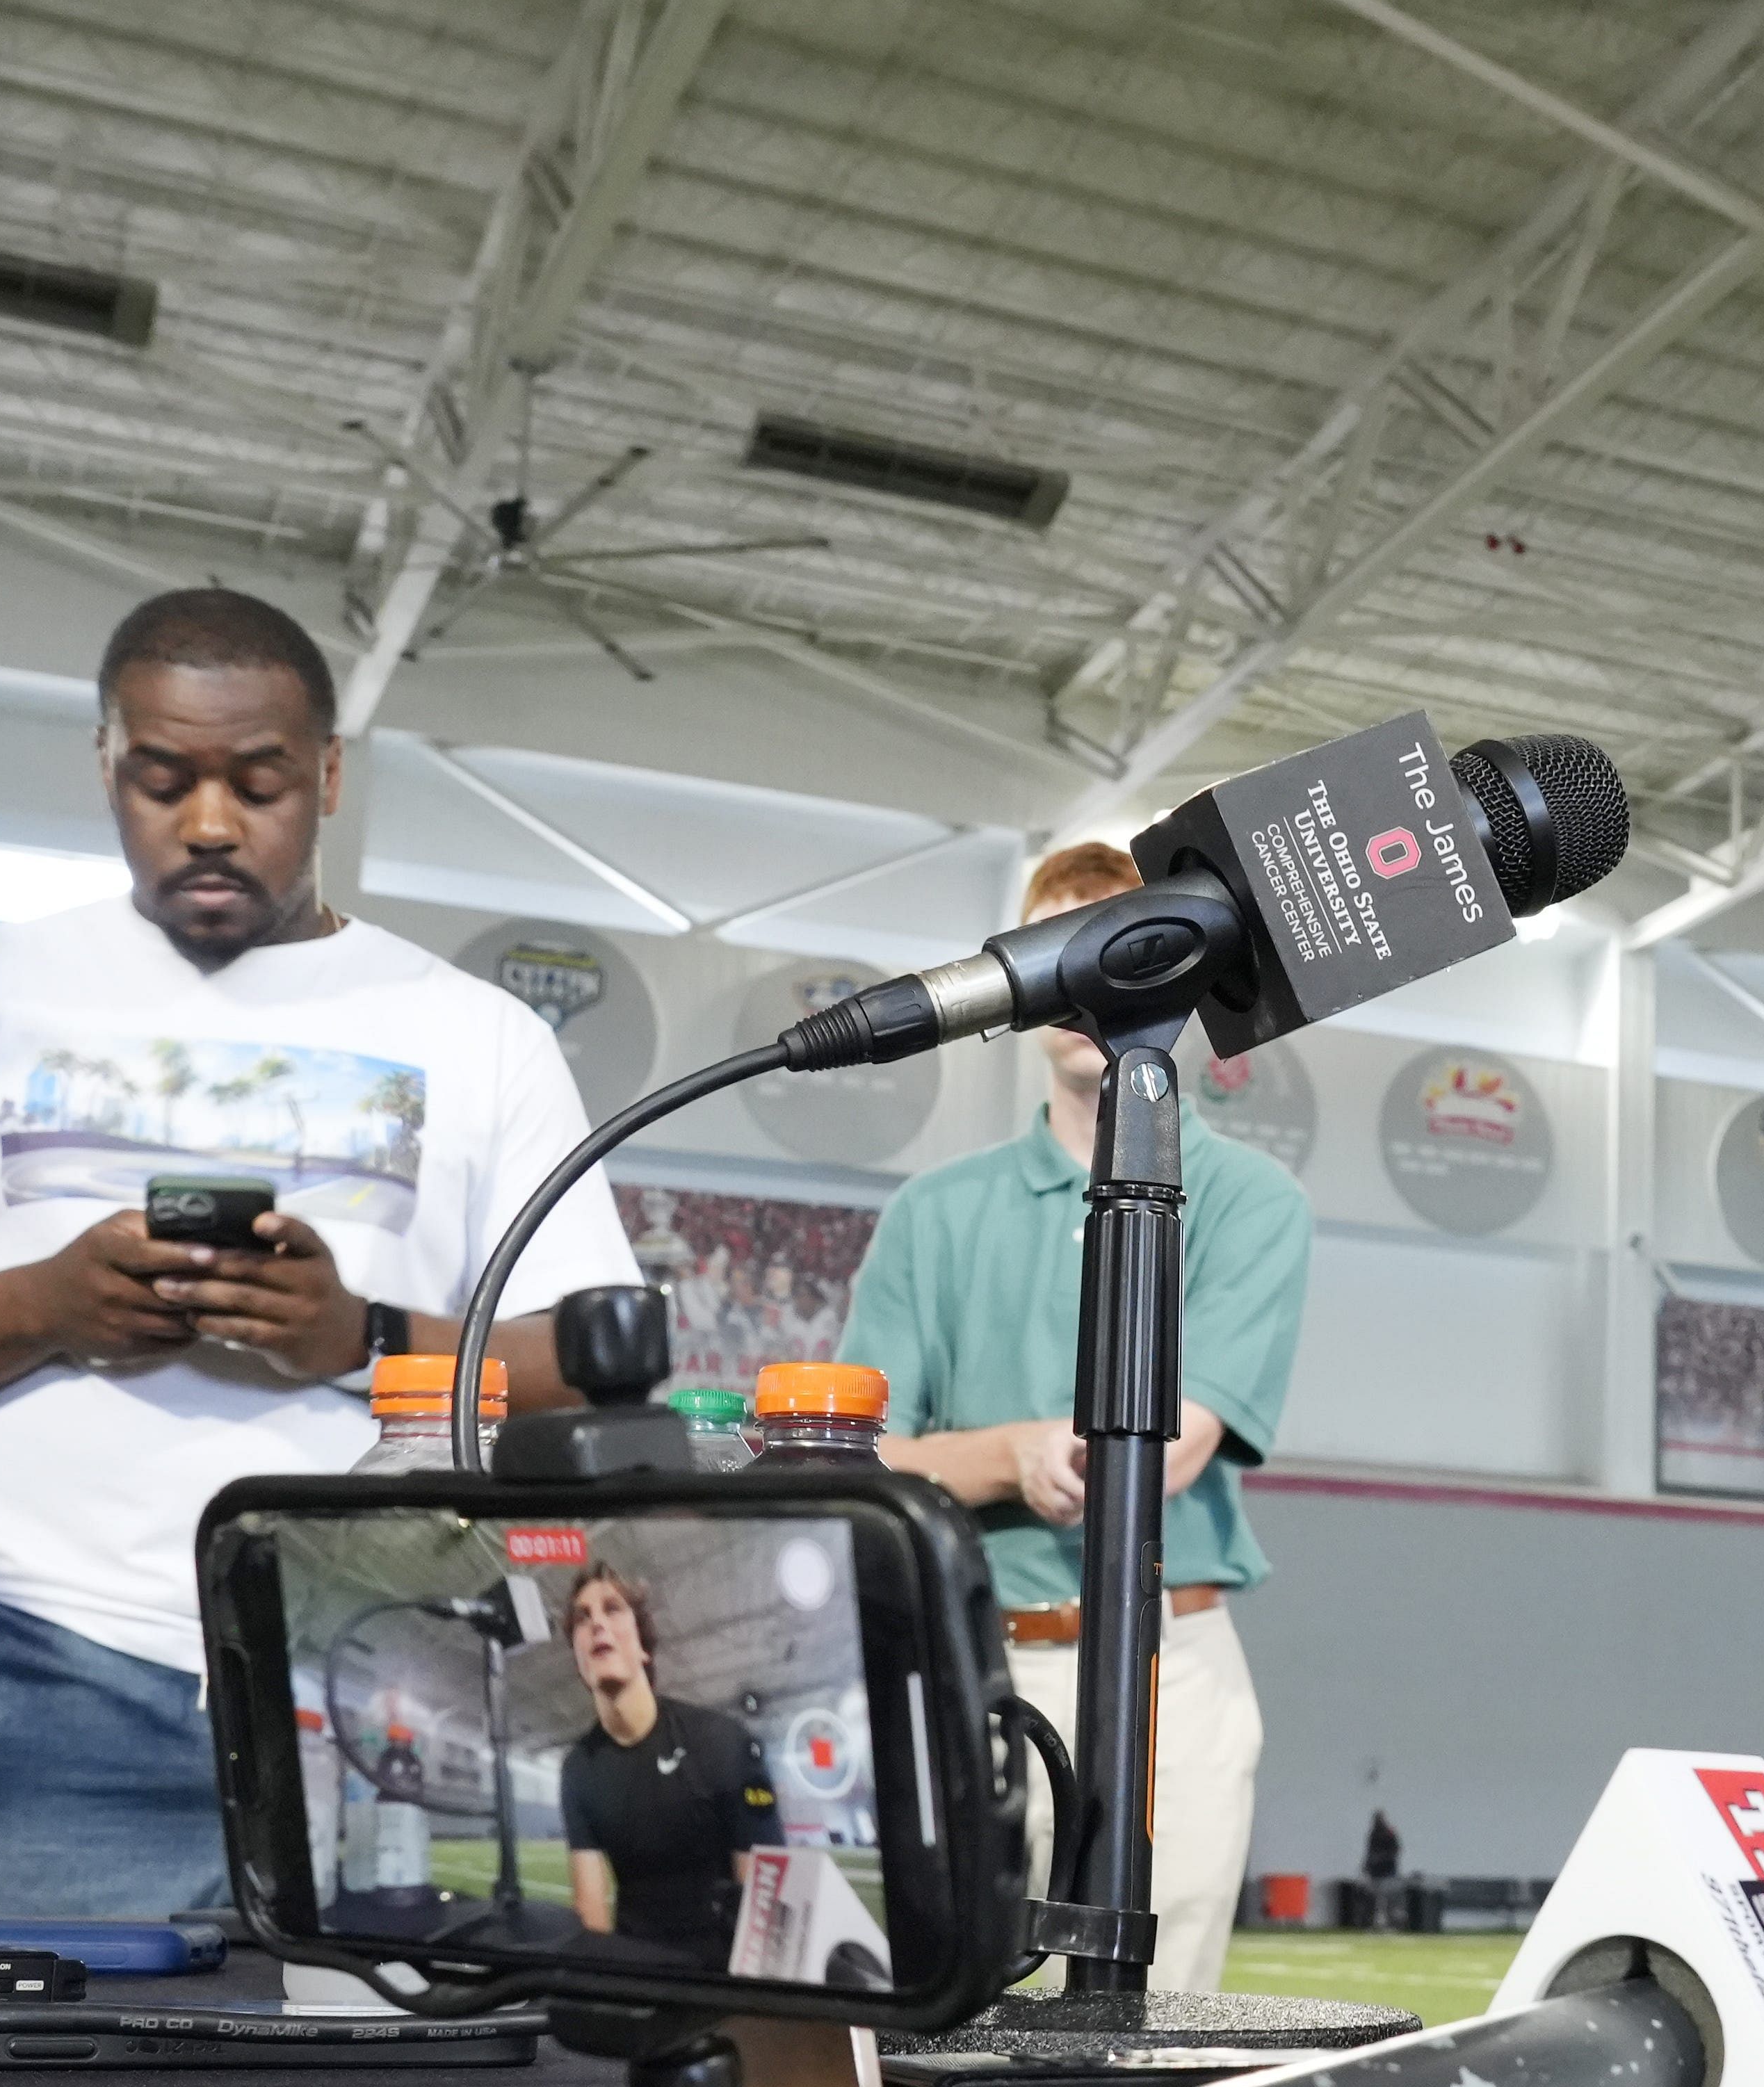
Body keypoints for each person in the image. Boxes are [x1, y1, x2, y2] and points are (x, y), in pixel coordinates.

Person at [0, 588, 629, 1917]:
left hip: (378, 1672)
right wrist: (50, 1304)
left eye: (259, 783)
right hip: (24, 1666)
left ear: (330, 776)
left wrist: (356, 1341)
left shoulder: (479, 1035)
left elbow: (587, 1369)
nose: (210, 823)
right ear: (104, 764)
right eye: (162, 780)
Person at [841, 843, 1311, 1996]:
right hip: (974, 1662)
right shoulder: (933, 1211)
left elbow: (1175, 1441)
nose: (1080, 976)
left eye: (1112, 940)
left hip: (1171, 1667)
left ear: (1179, 970)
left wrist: (1018, 1459)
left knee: (1149, 2045)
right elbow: (858, 1455)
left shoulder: (1253, 1202)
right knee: (948, 2026)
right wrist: (1011, 1454)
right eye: (1053, 948)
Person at [555, 1562, 773, 1972]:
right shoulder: (578, 1770)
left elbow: (765, 1905)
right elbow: (592, 1919)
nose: (597, 1623)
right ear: (579, 1658)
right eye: (583, 1618)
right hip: (637, 1980)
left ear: (643, 1646)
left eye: (612, 1609)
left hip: (724, 1979)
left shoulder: (722, 1742)